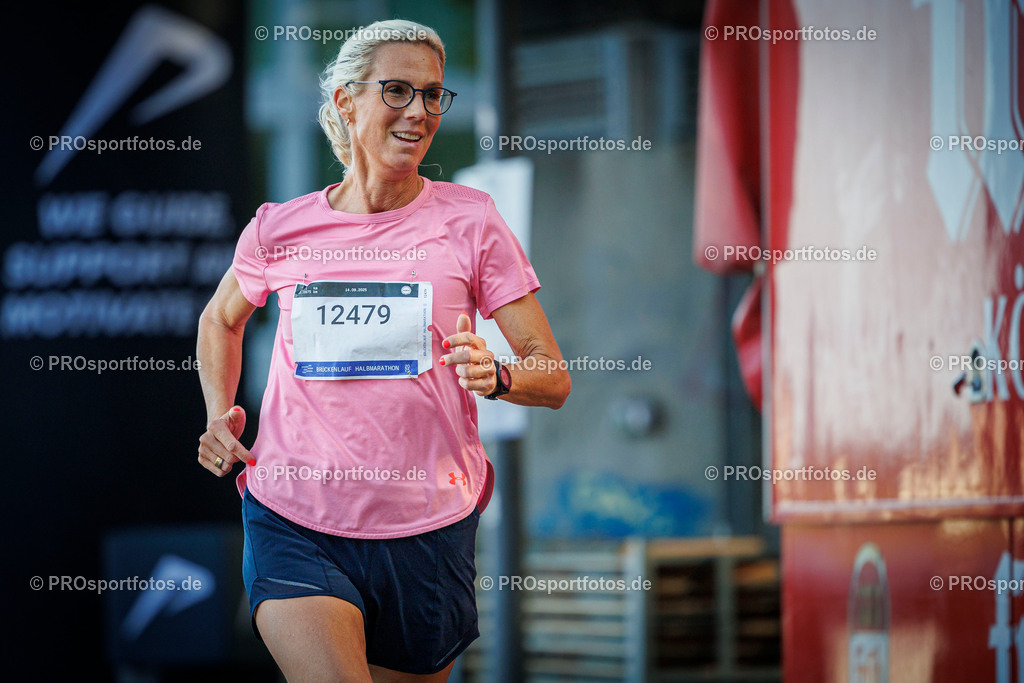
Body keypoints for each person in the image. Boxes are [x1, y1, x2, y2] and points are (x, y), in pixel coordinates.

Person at [195, 19, 570, 682]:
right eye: (397, 91)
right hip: (295, 513)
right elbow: (220, 320)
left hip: (427, 524)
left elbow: (554, 375)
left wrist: (499, 373)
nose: (419, 112)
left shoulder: (470, 220)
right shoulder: (279, 227)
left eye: (432, 96)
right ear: (346, 99)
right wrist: (218, 411)